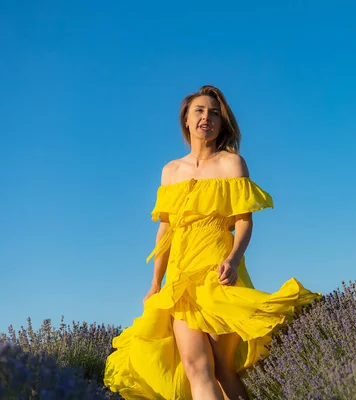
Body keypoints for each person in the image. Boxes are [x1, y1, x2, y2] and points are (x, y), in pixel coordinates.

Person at [104, 85, 321, 400]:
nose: (207, 117)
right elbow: (165, 231)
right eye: (200, 111)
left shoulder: (231, 163)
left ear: (223, 123)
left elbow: (245, 220)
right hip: (179, 278)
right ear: (187, 121)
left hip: (217, 271)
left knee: (222, 369)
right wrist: (155, 283)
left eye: (215, 113)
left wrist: (233, 260)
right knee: (196, 368)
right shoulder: (170, 171)